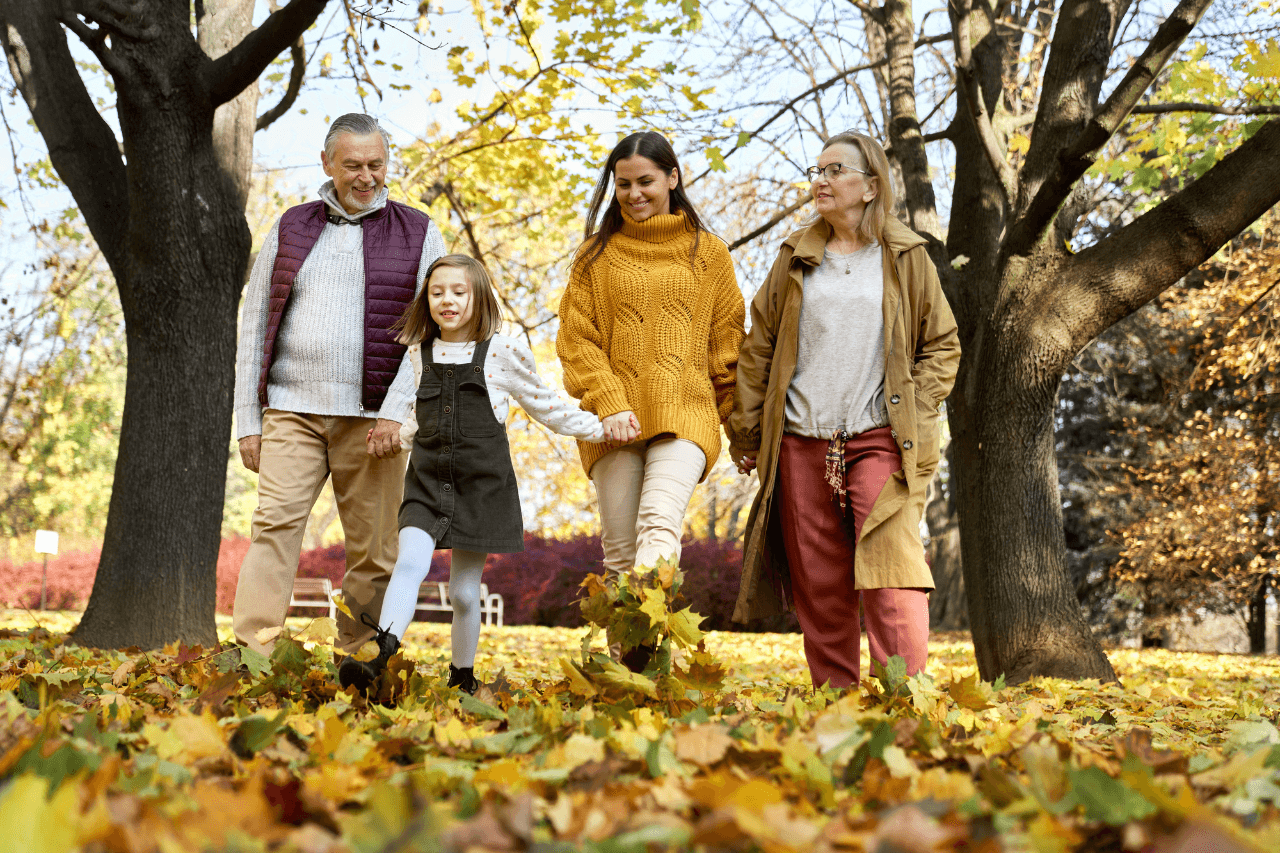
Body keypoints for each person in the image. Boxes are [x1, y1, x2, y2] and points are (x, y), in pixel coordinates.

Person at [727, 130, 960, 689]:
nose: (821, 181)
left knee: (892, 572)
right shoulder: (796, 257)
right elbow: (759, 346)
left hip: (879, 438)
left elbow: (942, 344)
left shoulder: (905, 257)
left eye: (836, 171)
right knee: (820, 581)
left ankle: (904, 699)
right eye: (818, 170)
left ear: (871, 186)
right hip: (801, 443)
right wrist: (747, 431)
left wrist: (912, 405)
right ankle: (836, 701)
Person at [337, 254, 606, 695]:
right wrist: (393, 439)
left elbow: (546, 405)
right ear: (426, 300)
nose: (447, 301)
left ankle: (462, 676)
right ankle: (380, 658)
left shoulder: (502, 351)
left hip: (480, 489)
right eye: (437, 292)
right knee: (409, 563)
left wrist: (601, 428)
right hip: (425, 485)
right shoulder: (417, 355)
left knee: (463, 593)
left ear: (478, 296)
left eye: (459, 292)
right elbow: (421, 419)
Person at [232, 113, 444, 657]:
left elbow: (430, 332)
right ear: (327, 163)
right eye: (353, 165)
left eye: (376, 164)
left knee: (375, 550)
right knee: (273, 529)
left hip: (374, 418)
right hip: (290, 410)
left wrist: (398, 412)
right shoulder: (292, 225)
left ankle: (359, 659)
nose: (366, 176)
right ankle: (256, 655)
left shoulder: (418, 231)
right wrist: (249, 421)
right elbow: (254, 322)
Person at [556, 130, 745, 668]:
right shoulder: (594, 256)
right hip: (611, 420)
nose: (634, 194)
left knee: (658, 524)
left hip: (685, 411)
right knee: (619, 553)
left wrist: (740, 430)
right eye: (623, 184)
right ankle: (627, 672)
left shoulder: (709, 254)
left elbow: (727, 348)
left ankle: (647, 653)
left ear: (673, 178)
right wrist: (611, 402)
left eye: (646, 181)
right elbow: (576, 340)